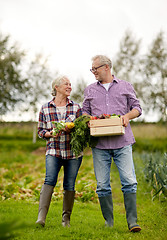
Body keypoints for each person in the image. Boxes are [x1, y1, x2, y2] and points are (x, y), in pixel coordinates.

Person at [82, 55, 142, 232]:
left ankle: (132, 222)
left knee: (129, 182)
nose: (93, 72)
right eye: (92, 69)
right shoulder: (90, 90)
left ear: (106, 67)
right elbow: (85, 111)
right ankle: (109, 222)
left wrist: (126, 116)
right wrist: (88, 120)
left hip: (122, 142)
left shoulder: (125, 86)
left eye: (95, 68)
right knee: (102, 185)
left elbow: (137, 108)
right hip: (100, 145)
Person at [36, 75, 82, 227]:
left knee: (69, 184)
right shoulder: (45, 107)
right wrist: (49, 134)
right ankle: (41, 218)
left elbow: (81, 130)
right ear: (56, 87)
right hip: (53, 151)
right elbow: (41, 131)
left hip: (73, 153)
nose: (69, 86)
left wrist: (73, 129)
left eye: (70, 84)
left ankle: (66, 220)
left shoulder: (76, 107)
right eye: (66, 84)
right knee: (49, 180)